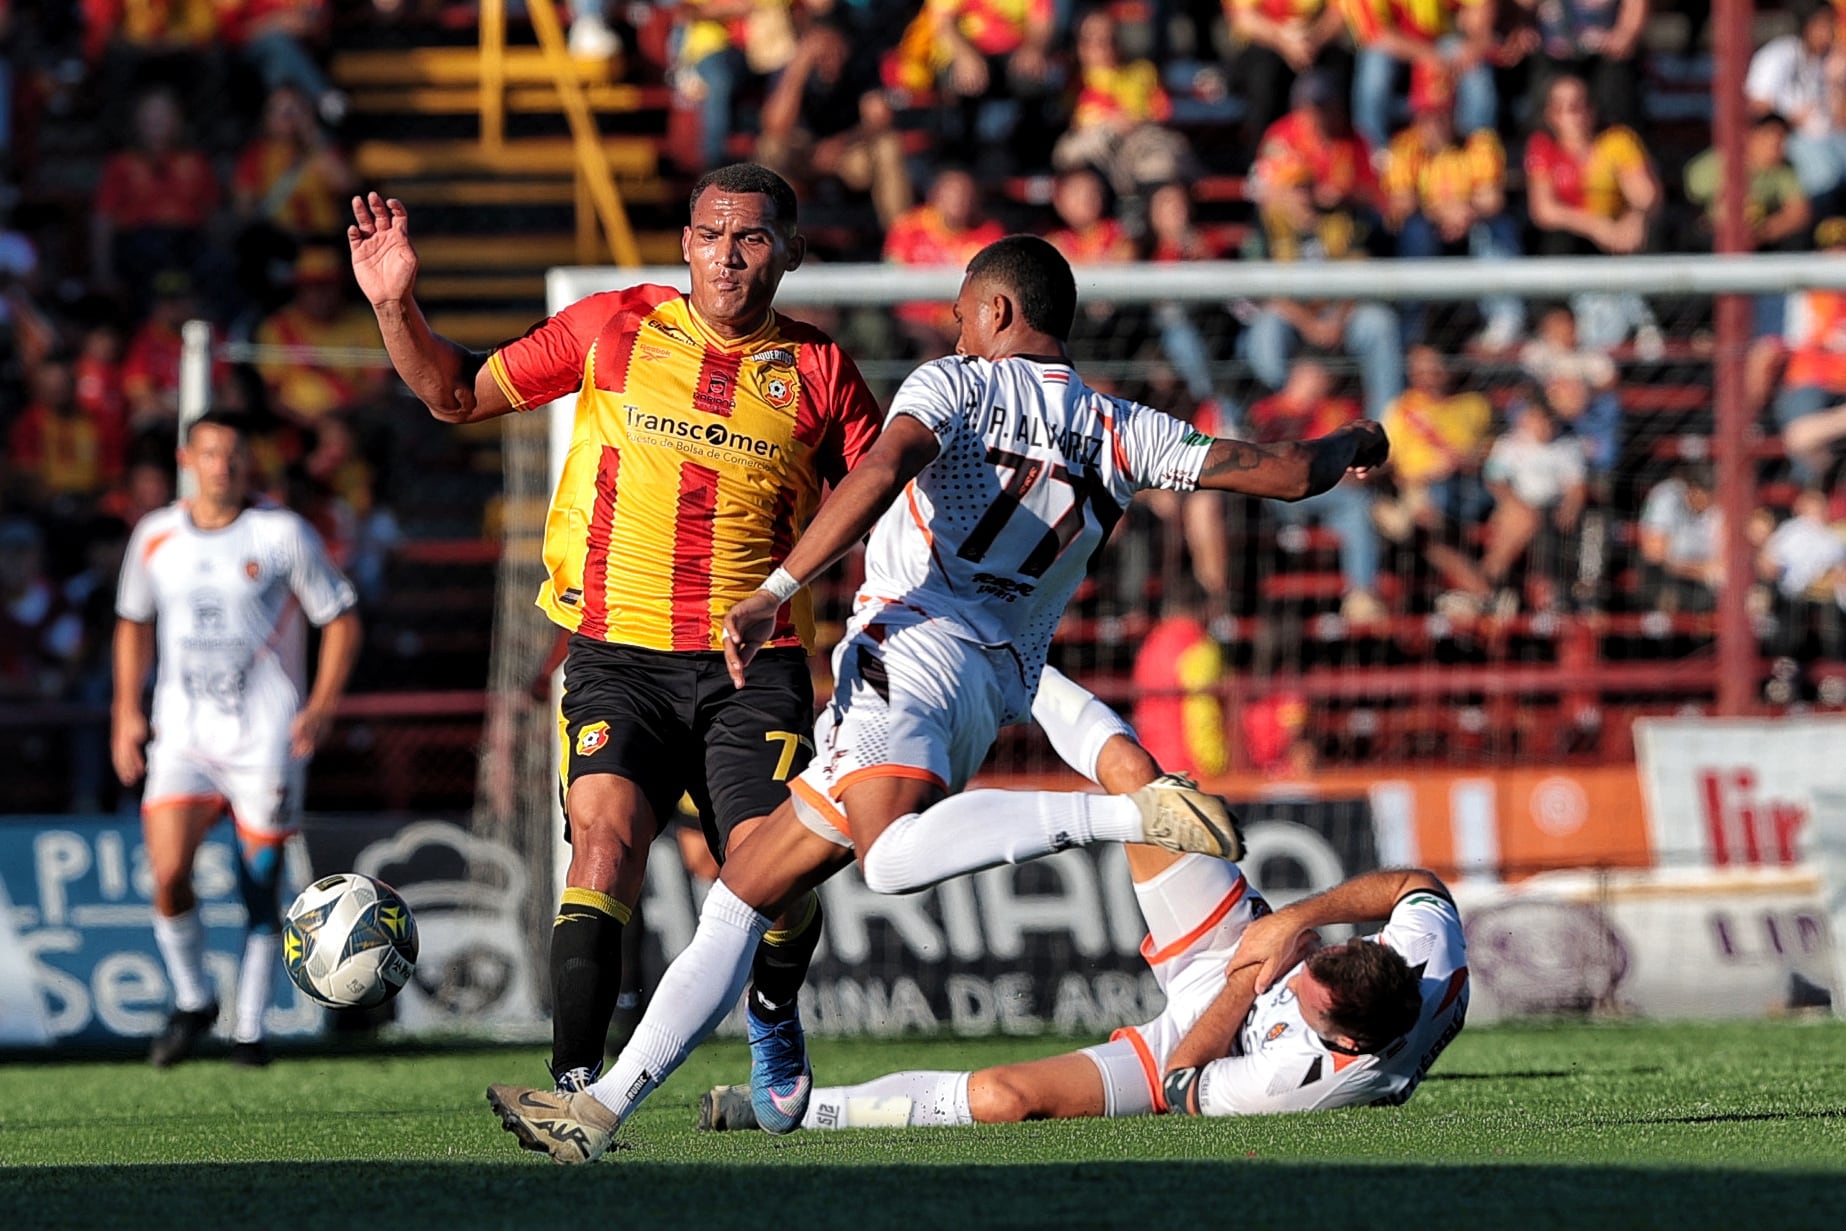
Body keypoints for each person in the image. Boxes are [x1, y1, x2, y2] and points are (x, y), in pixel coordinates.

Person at [482, 234, 1390, 1162]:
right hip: (998, 684)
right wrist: (1353, 441)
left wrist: (776, 590)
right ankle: (601, 1109)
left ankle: (1118, 816)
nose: (955, 329)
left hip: (911, 657)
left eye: (962, 312)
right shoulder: (1128, 428)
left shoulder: (955, 384)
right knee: (744, 889)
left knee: (887, 859)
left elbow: (879, 473)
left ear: (996, 312)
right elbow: (1278, 471)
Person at [347, 165, 885, 1113]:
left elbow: (881, 500)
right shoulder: (613, 326)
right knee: (602, 846)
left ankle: (771, 1002)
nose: (728, 254)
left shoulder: (823, 371)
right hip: (616, 654)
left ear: (790, 253)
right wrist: (396, 306)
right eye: (711, 233)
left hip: (750, 668)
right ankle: (576, 1088)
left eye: (752, 237)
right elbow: (454, 395)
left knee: (769, 874)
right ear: (684, 242)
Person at [701, 860, 1464, 1130]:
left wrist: (1248, 977)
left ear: (1344, 1042)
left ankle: (792, 1109)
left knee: (1006, 1098)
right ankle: (1008, 659)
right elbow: (1415, 885)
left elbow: (1184, 1084)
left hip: (1209, 1035)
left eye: (1308, 988)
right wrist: (1298, 923)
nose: (1307, 969)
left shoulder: (1292, 1085)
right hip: (1247, 951)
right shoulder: (1420, 960)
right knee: (1152, 802)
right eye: (1325, 959)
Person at [111, 410, 362, 1066]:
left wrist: (321, 704)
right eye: (211, 453)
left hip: (264, 737)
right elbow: (132, 621)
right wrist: (125, 712)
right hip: (183, 734)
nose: (222, 465)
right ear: (187, 458)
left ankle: (249, 1029)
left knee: (260, 881)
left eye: (233, 454)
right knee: (168, 874)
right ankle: (195, 997)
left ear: (247, 462)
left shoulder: (281, 534)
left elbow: (339, 616)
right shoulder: (156, 535)